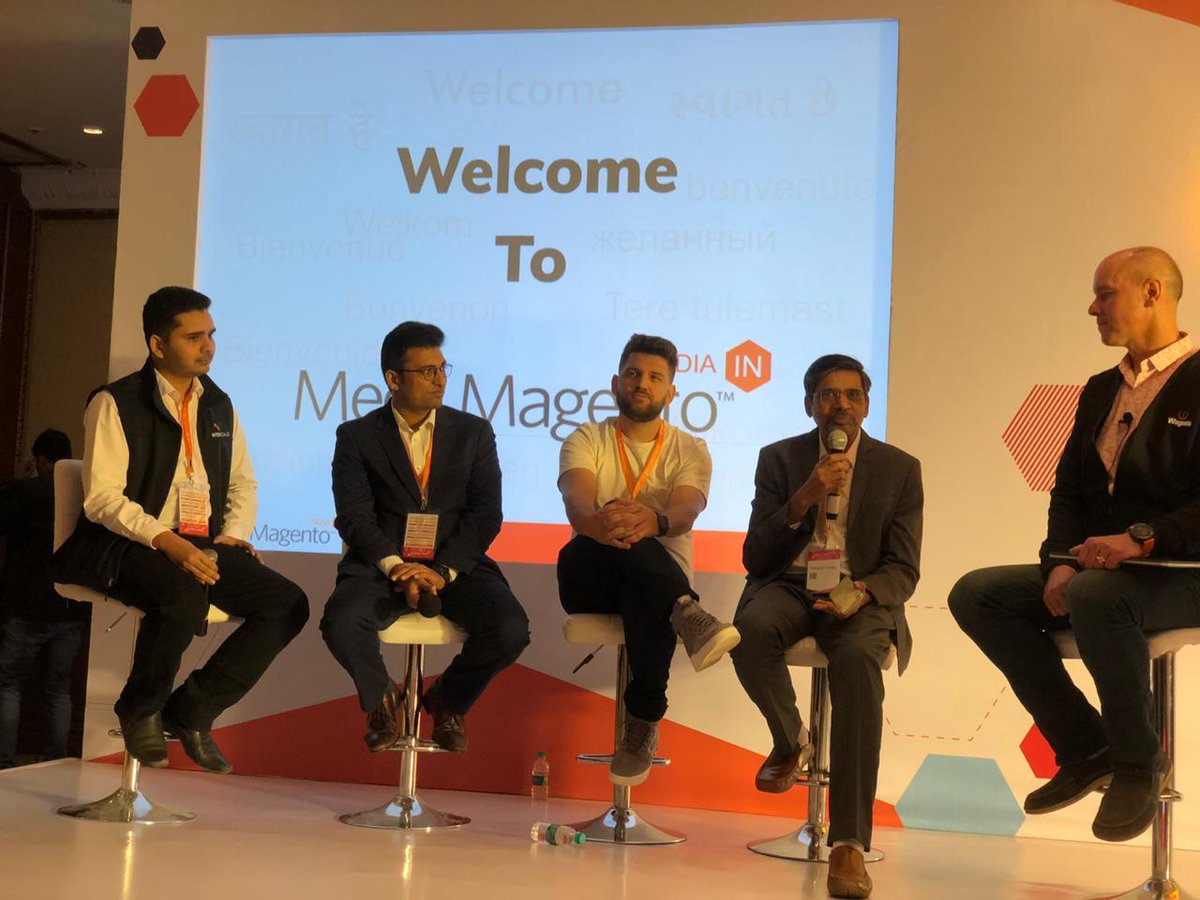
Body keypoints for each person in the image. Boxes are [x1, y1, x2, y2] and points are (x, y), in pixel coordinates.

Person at [950, 246, 1200, 844]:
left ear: (1151, 293)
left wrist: (1141, 539)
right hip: (1102, 575)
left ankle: (1139, 762)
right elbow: (1067, 493)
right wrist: (1059, 563)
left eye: (1105, 294)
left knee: (1096, 596)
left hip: (1183, 571)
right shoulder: (1100, 389)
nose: (1093, 308)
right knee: (977, 594)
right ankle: (1087, 748)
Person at [53, 286, 309, 774]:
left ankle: (192, 711)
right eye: (194, 337)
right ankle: (141, 709)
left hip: (201, 540)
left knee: (287, 604)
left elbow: (243, 481)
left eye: (211, 335)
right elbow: (103, 500)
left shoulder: (218, 403)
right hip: (126, 542)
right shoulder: (115, 402)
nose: (208, 346)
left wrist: (232, 533)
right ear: (157, 344)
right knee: (182, 596)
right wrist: (168, 542)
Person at [731, 354, 922, 900]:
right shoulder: (779, 459)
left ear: (867, 404)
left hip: (859, 592)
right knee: (748, 631)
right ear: (809, 404)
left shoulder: (900, 468)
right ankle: (792, 740)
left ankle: (849, 845)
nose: (841, 405)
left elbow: (903, 568)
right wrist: (804, 498)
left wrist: (859, 591)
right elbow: (754, 556)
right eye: (828, 395)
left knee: (858, 662)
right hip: (789, 584)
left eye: (852, 395)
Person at [320, 322, 529, 754]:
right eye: (427, 371)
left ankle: (447, 701)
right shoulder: (356, 437)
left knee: (510, 629)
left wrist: (442, 571)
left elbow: (486, 515)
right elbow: (355, 518)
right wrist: (396, 566)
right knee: (341, 623)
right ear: (394, 379)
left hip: (455, 564)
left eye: (442, 368)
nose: (440, 380)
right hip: (381, 566)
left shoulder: (473, 433)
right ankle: (382, 700)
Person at [556, 333, 739, 786]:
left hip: (656, 583)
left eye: (655, 377)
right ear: (616, 383)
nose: (642, 383)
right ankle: (687, 611)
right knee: (627, 539)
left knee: (646, 590)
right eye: (634, 374)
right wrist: (606, 522)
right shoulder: (586, 438)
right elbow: (577, 501)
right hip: (590, 572)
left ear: (671, 392)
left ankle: (641, 723)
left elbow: (686, 510)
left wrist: (651, 521)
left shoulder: (690, 448)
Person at [0, 429, 88, 768]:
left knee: (9, 685)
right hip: (69, 607)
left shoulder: (28, 492)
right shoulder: (84, 494)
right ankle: (57, 761)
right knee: (58, 689)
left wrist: (20, 482)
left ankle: (5, 762)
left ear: (40, 459)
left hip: (24, 603)